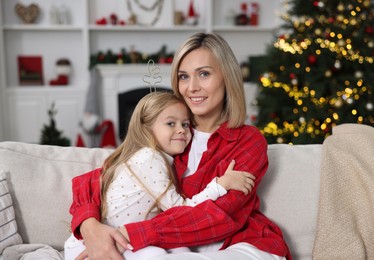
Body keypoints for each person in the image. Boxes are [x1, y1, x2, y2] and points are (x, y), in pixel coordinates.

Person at [70, 32, 291, 260]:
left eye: (204, 74)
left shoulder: (248, 141)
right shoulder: (170, 135)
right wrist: (90, 226)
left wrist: (132, 232)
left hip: (238, 243)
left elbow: (220, 216)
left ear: (227, 77)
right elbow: (100, 179)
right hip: (174, 248)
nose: (191, 87)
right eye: (183, 77)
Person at [65, 91, 255, 260]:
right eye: (171, 123)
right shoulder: (150, 158)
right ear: (146, 128)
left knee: (181, 250)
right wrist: (220, 185)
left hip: (118, 239)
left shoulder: (153, 159)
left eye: (185, 124)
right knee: (157, 255)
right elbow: (181, 210)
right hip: (93, 245)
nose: (181, 129)